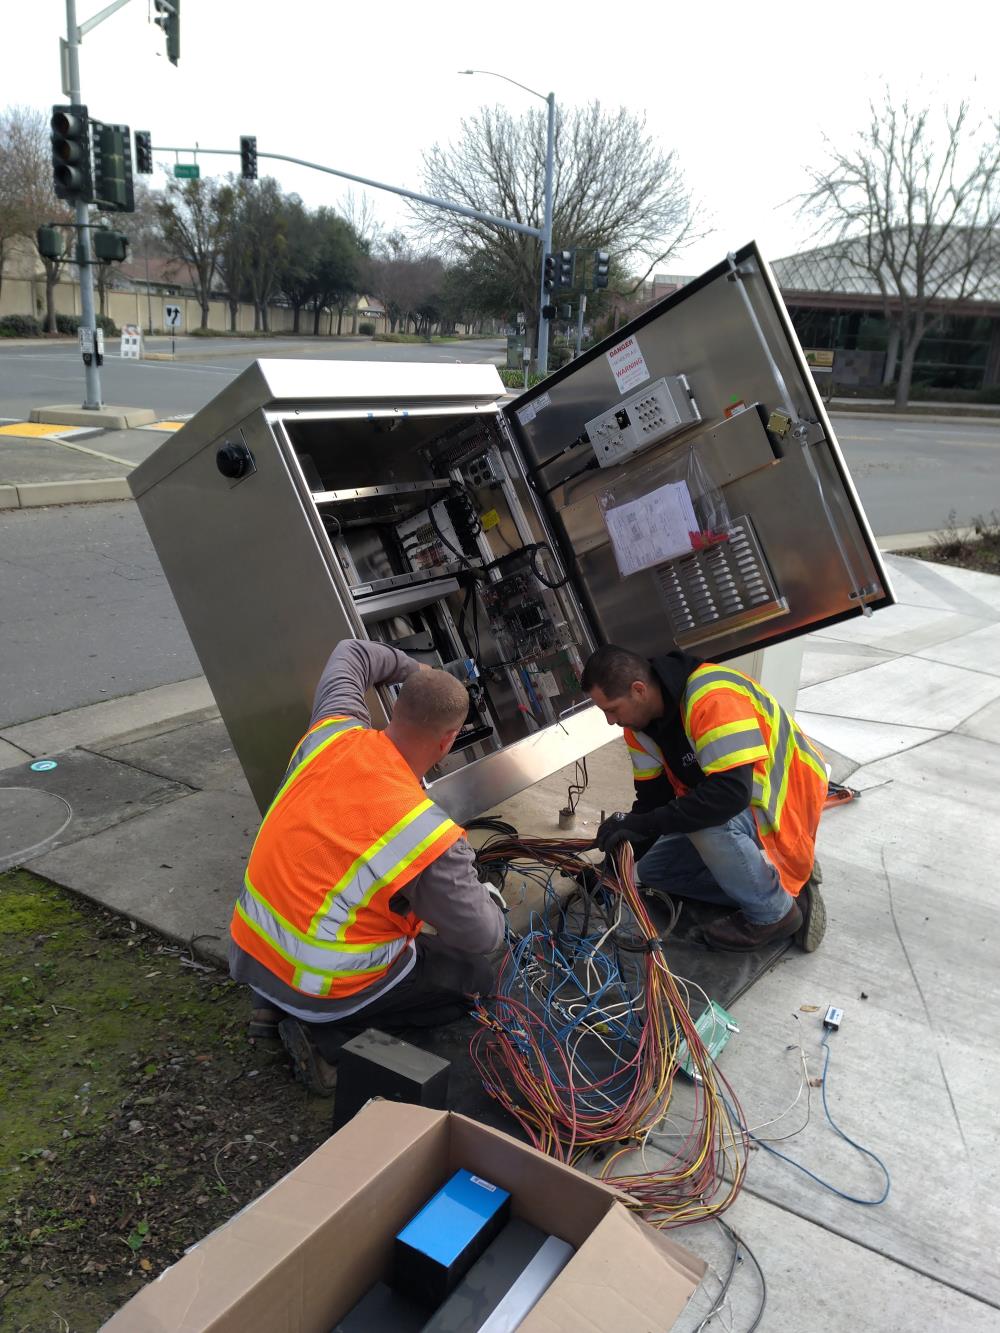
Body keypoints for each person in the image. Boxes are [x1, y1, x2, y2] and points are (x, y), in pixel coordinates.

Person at [229, 639, 505, 1095]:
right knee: (475, 977)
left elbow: (352, 652)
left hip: (251, 948)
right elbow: (482, 935)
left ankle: (268, 1004)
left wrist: (419, 671)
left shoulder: (332, 732)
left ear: (396, 709)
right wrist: (488, 900)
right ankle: (328, 1039)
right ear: (448, 740)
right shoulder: (423, 832)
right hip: (320, 987)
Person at [581, 644, 827, 952]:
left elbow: (730, 795)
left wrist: (645, 822)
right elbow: (653, 802)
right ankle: (782, 887)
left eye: (612, 709)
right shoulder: (639, 730)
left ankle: (772, 914)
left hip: (786, 797)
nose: (610, 721)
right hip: (739, 800)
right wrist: (613, 870)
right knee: (657, 871)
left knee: (708, 824)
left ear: (639, 690)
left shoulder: (711, 696)